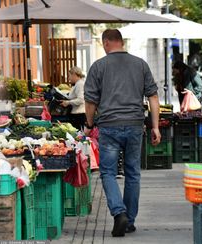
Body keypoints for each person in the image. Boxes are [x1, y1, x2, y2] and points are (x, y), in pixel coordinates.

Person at [84, 29, 161, 237]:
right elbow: (153, 97)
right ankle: (129, 220)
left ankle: (119, 213)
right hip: (136, 124)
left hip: (109, 127)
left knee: (108, 172)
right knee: (133, 172)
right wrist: (155, 126)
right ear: (121, 42)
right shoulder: (140, 64)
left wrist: (89, 125)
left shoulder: (98, 66)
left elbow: (90, 101)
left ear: (107, 42)